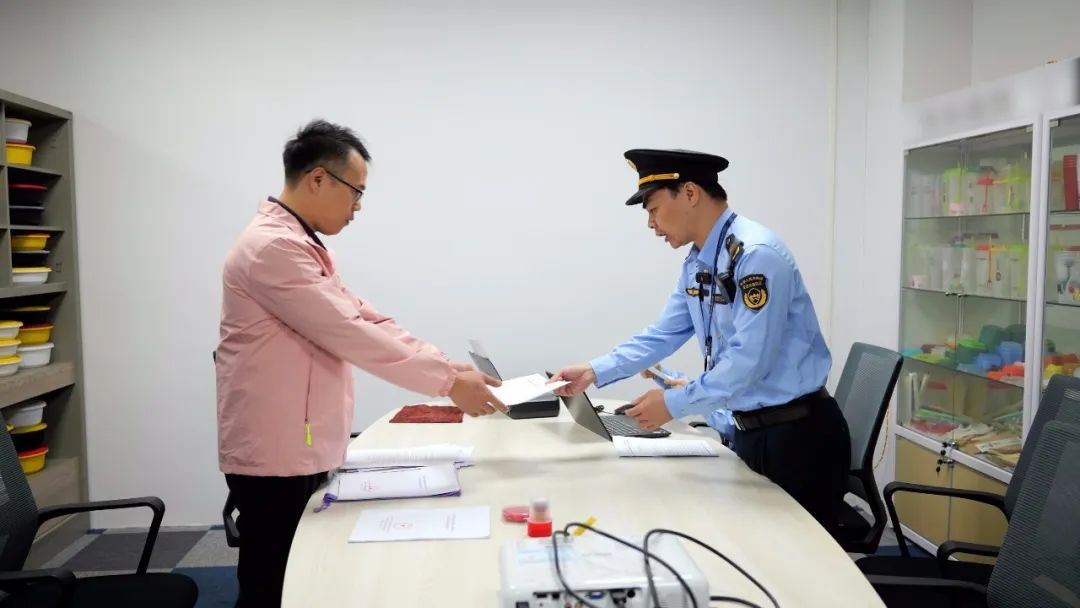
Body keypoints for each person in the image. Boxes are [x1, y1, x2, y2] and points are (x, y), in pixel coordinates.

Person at [215, 119, 506, 607]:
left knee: (297, 571)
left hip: (295, 441)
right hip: (276, 451)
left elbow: (367, 318)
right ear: (318, 178)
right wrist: (446, 382)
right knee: (275, 580)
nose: (358, 207)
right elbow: (350, 333)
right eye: (356, 191)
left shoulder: (297, 243)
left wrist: (449, 367)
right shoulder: (273, 248)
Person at [552, 149, 850, 533]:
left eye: (653, 209)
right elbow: (663, 333)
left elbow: (749, 361)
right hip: (749, 431)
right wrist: (594, 371)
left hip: (798, 439)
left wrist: (672, 404)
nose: (651, 224)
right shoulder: (699, 262)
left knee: (799, 558)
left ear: (690, 193)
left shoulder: (755, 256)